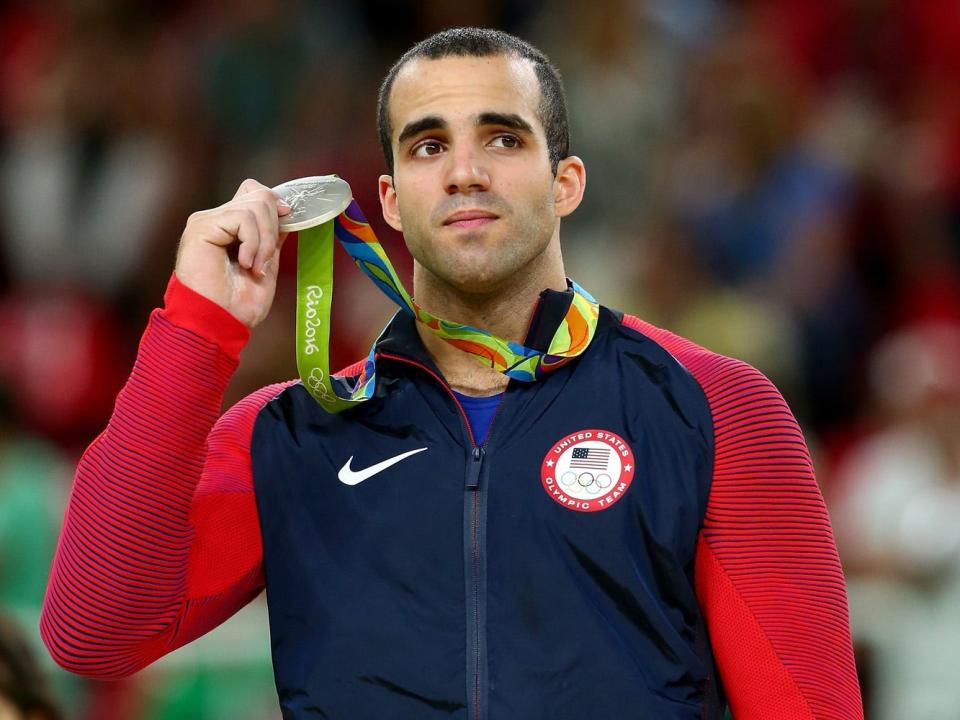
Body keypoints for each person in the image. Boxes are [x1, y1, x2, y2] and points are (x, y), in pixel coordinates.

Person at [40, 27, 863, 719]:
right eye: (430, 144)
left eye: (504, 138)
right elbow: (92, 630)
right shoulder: (293, 432)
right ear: (392, 201)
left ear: (565, 182)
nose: (466, 170)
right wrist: (195, 328)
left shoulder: (712, 405)